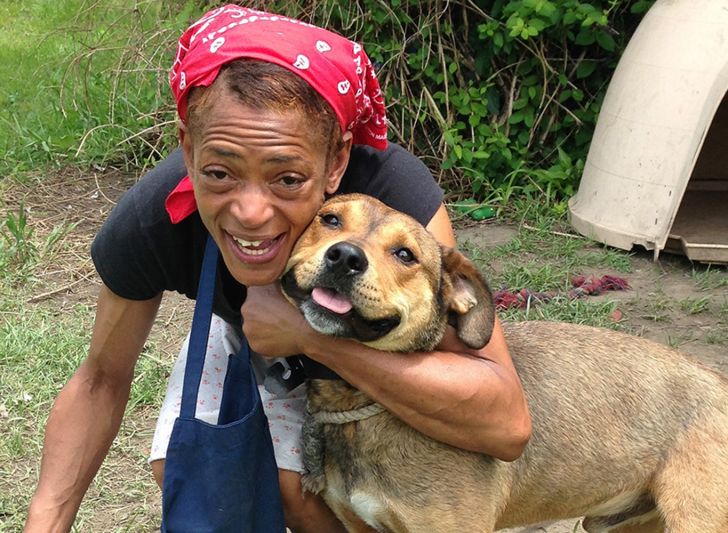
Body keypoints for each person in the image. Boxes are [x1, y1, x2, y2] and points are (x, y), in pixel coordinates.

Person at [24, 4, 531, 532]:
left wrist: (311, 339)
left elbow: (505, 422)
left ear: (336, 163)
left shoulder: (395, 199)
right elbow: (101, 379)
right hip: (251, 334)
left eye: (287, 179)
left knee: (314, 496)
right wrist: (44, 522)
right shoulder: (153, 222)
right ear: (187, 147)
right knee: (203, 469)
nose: (251, 212)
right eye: (219, 172)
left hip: (370, 344)